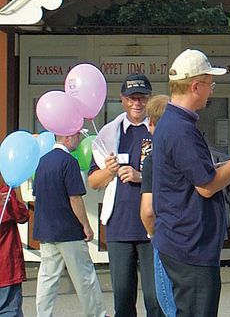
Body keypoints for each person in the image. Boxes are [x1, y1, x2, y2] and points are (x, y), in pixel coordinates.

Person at [151, 48, 230, 317]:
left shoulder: (176, 123)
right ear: (195, 86)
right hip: (189, 243)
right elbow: (206, 186)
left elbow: (197, 174)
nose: (212, 90)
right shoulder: (180, 128)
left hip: (186, 240)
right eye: (210, 84)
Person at [88, 73, 162, 317]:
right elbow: (93, 181)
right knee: (122, 299)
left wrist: (142, 177)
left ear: (150, 99)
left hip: (153, 225)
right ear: (122, 100)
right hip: (119, 226)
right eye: (132, 98)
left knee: (155, 298)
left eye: (142, 98)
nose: (137, 103)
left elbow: (175, 175)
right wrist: (108, 171)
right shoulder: (109, 133)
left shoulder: (160, 130)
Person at [33, 130, 107, 317]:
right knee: (84, 277)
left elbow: (37, 194)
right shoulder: (69, 162)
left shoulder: (42, 161)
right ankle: (97, 314)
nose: (79, 140)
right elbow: (75, 198)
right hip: (68, 230)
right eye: (77, 136)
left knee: (47, 279)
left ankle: (43, 314)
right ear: (68, 137)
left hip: (46, 229)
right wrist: (86, 226)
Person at [139, 94, 176, 317]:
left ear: (152, 123)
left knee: (168, 303)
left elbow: (148, 210)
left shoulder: (153, 159)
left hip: (165, 236)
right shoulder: (188, 147)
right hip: (192, 239)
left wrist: (154, 235)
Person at [0, 177, 29, 316]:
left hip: (7, 269)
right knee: (9, 311)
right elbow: (22, 215)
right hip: (6, 268)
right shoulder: (5, 195)